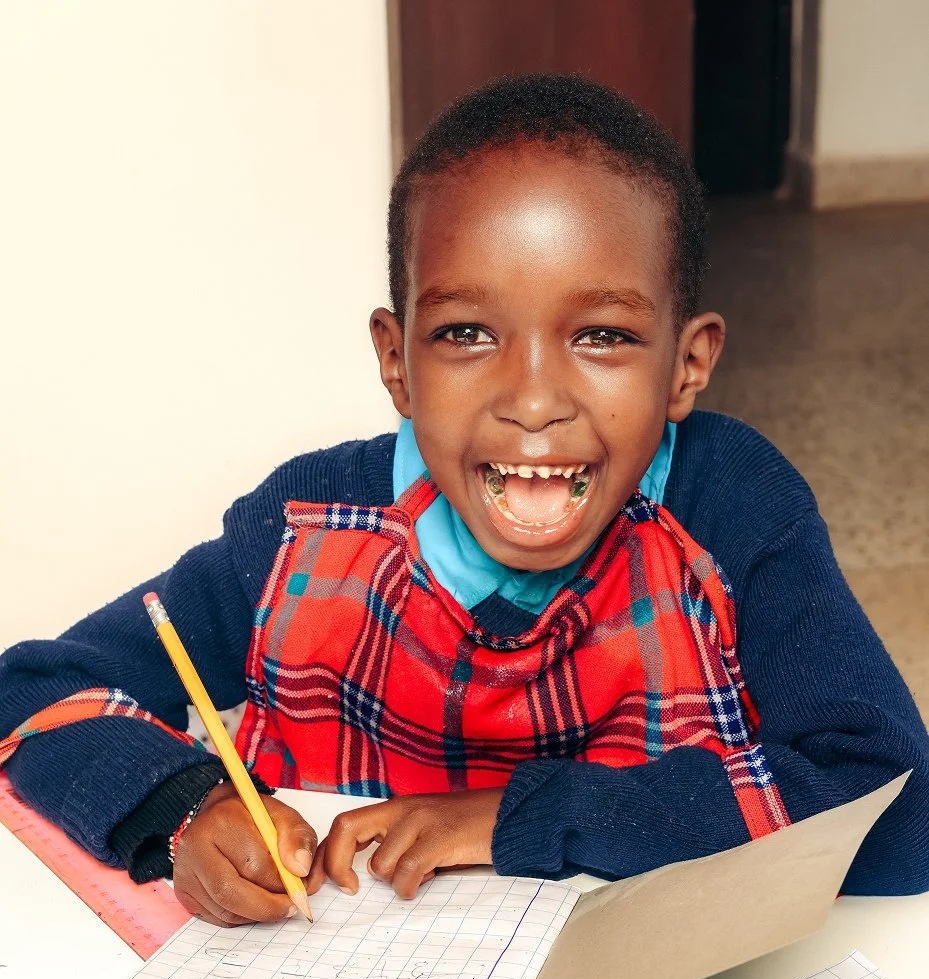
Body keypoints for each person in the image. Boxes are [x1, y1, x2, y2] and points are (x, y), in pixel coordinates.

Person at [2, 74, 927, 928]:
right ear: (396, 361)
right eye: (466, 333)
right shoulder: (301, 531)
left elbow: (896, 809)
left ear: (686, 365)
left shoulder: (732, 508)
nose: (531, 400)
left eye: (601, 335)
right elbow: (35, 689)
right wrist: (181, 809)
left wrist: (514, 818)